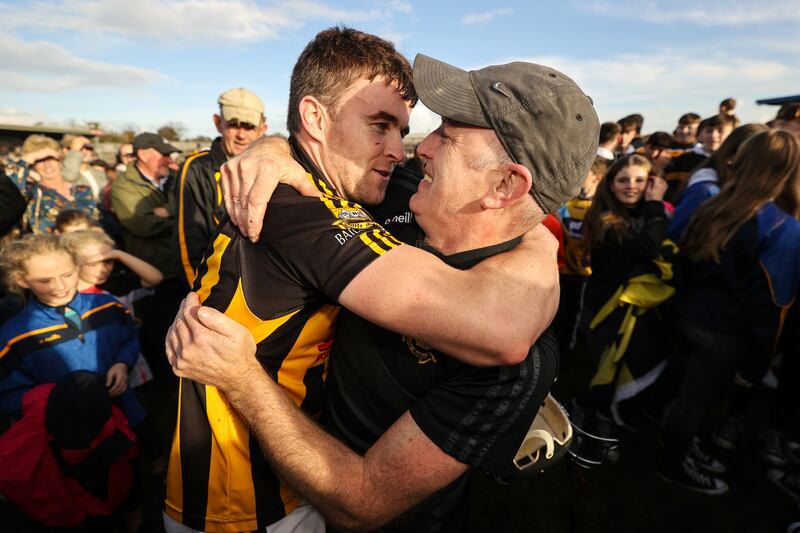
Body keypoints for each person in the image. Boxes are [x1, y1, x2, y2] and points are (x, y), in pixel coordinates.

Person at [162, 27, 596, 533]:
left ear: (504, 184)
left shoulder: (399, 200)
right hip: (248, 500)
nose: (412, 150)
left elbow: (505, 329)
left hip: (343, 504)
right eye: (382, 126)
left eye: (444, 134)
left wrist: (539, 241)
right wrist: (274, 148)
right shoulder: (295, 204)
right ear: (314, 118)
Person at [660, 129, 800, 495]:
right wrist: (756, 365)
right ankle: (673, 464)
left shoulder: (715, 201)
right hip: (725, 333)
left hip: (690, 316)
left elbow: (686, 264)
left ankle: (681, 444)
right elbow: (771, 306)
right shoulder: (785, 227)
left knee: (687, 394)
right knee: (697, 401)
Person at [570, 155, 672, 461]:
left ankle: (604, 423)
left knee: (620, 369)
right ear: (610, 184)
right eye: (623, 180)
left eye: (640, 180)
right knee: (605, 369)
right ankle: (579, 415)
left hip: (632, 307)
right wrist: (656, 205)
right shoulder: (605, 219)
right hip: (605, 307)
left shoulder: (642, 214)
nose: (632, 187)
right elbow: (648, 248)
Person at [0, 234, 144, 427]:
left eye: (68, 275)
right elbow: (7, 395)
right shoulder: (13, 335)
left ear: (77, 267)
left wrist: (122, 363)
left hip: (126, 413)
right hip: (70, 437)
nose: (60, 286)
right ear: (21, 280)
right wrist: (57, 397)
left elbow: (129, 338)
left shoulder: (109, 305)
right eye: (45, 281)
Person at [174, 88, 267, 288]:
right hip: (214, 288)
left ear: (263, 129)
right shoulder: (196, 168)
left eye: (249, 126)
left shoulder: (270, 169)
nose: (241, 135)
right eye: (233, 125)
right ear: (218, 123)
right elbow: (188, 243)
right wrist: (199, 298)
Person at [111, 132, 182, 379]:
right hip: (152, 271)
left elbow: (190, 209)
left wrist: (169, 211)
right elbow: (142, 225)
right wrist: (178, 218)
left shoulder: (175, 178)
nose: (168, 159)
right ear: (142, 155)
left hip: (181, 267)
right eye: (162, 154)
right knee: (160, 329)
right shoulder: (123, 186)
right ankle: (165, 381)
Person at [668, 123, 768, 240]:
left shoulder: (746, 187)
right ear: (733, 155)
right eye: (759, 157)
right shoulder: (706, 190)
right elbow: (675, 233)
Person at [556, 155, 609, 352]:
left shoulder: (602, 209)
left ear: (598, 177)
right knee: (558, 313)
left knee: (575, 314)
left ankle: (569, 351)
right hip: (561, 270)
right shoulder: (566, 203)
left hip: (585, 274)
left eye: (583, 173)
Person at [6, 134, 99, 234]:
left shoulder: (83, 191)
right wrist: (29, 157)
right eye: (39, 160)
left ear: (60, 159)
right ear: (32, 165)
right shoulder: (32, 193)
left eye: (51, 158)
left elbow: (99, 222)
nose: (47, 165)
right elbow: (7, 185)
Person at [664, 114, 734, 203]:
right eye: (709, 131)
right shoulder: (683, 159)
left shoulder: (734, 161)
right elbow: (671, 190)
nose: (713, 135)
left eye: (720, 131)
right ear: (699, 135)